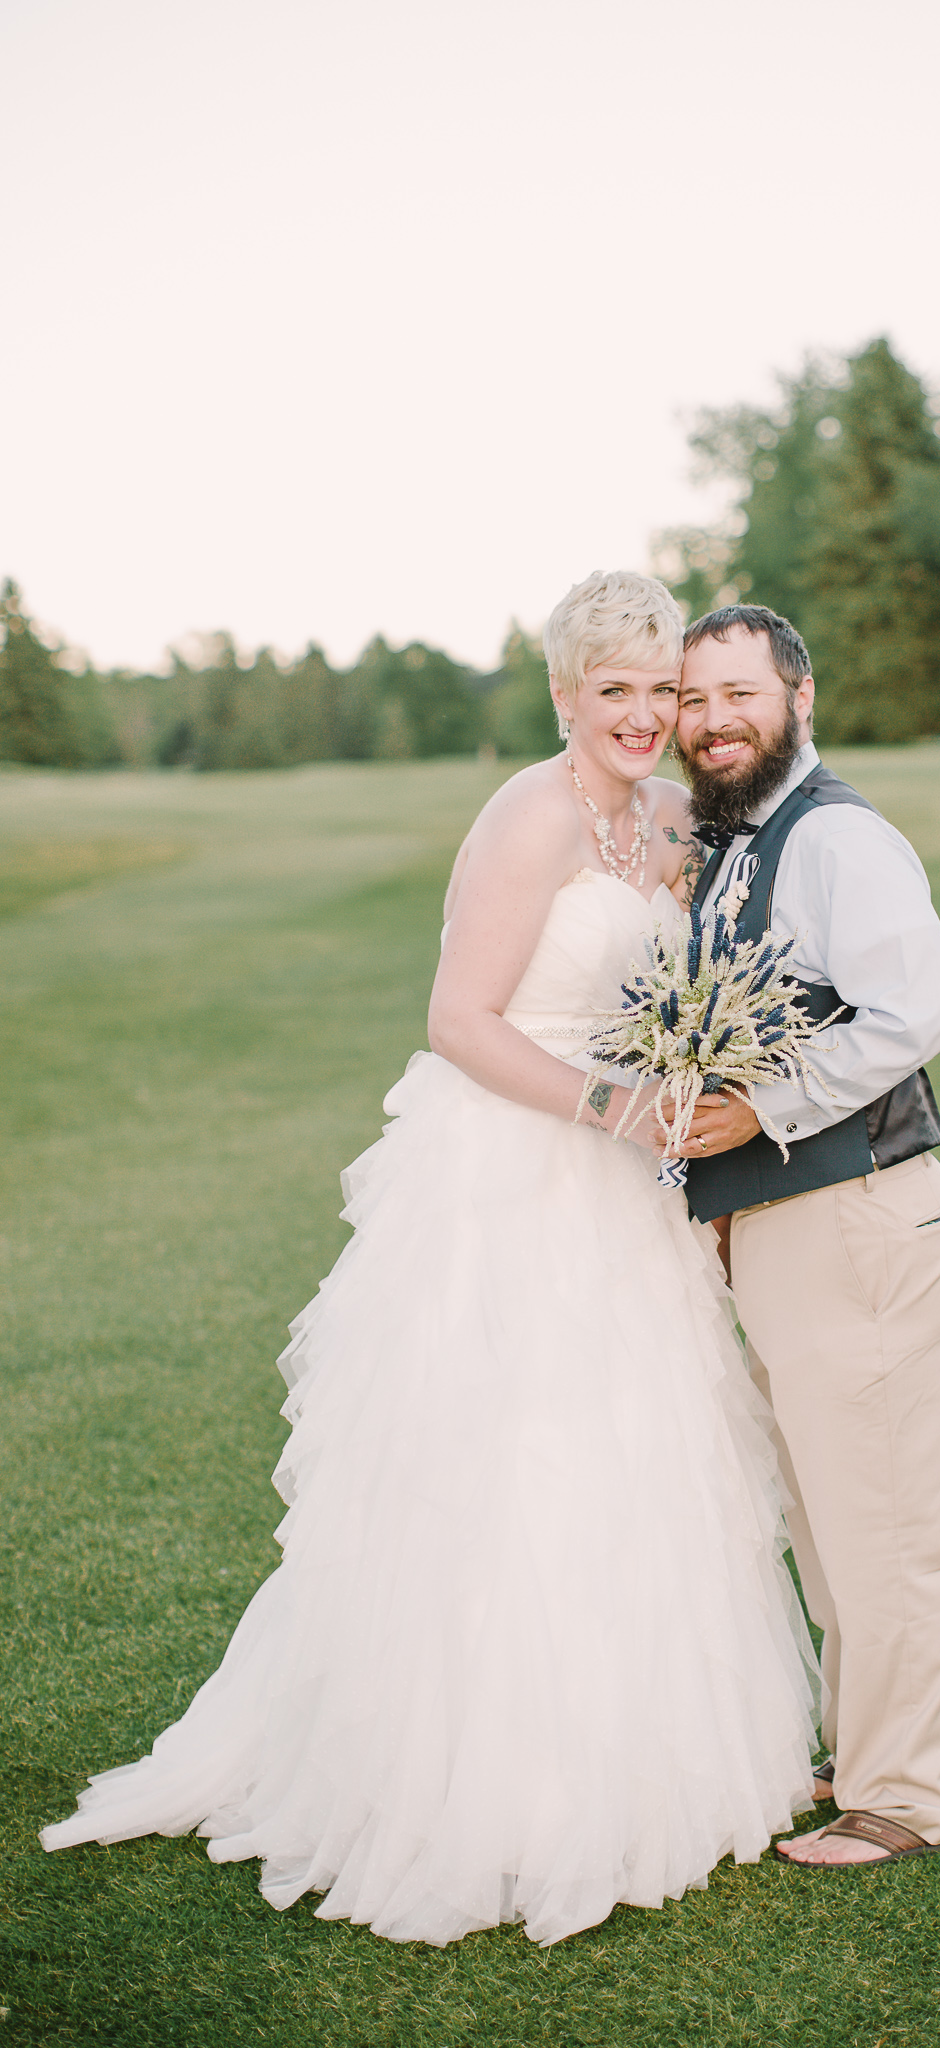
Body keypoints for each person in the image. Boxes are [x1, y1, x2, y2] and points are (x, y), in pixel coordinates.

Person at [41, 572, 818, 1946]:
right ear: (566, 695)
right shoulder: (528, 815)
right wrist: (610, 1105)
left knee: (636, 1450)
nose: (645, 717)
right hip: (513, 1173)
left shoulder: (666, 817)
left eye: (665, 691)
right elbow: (459, 1017)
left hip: (629, 1183)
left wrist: (686, 1077)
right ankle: (484, 1794)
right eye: (616, 691)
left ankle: (644, 1761)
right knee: (506, 1460)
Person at [671, 604, 940, 1869]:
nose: (713, 720)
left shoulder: (837, 836)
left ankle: (914, 1796)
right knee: (826, 1512)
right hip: (786, 1226)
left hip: (858, 1217)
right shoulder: (737, 842)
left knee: (884, 1521)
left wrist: (764, 1104)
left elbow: (924, 1006)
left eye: (738, 692)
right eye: (695, 701)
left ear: (800, 694)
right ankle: (866, 1753)